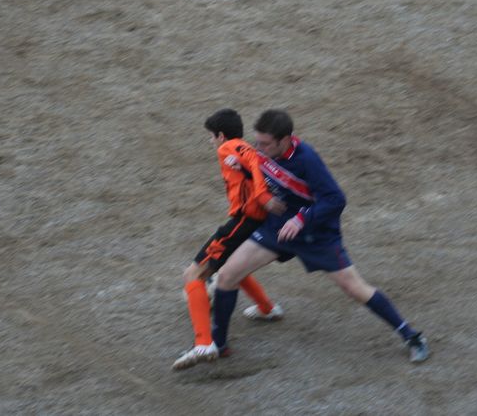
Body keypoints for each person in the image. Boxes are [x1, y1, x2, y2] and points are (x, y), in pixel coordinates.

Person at [206, 109, 430, 365]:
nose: (259, 148)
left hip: (316, 233)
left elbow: (335, 199)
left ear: (285, 139)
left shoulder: (307, 159)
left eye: (265, 144)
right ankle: (218, 345)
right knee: (227, 275)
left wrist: (300, 219)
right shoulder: (265, 152)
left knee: (353, 287)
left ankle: (412, 336)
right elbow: (262, 174)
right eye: (257, 142)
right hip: (278, 228)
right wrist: (243, 170)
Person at [172, 109, 287, 371]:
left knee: (193, 274)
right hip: (255, 222)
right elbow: (257, 162)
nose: (211, 141)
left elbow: (253, 163)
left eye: (211, 137)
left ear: (221, 135)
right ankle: (267, 308)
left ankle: (204, 343)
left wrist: (262, 195)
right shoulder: (245, 147)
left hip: (242, 221)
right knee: (231, 266)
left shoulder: (229, 148)